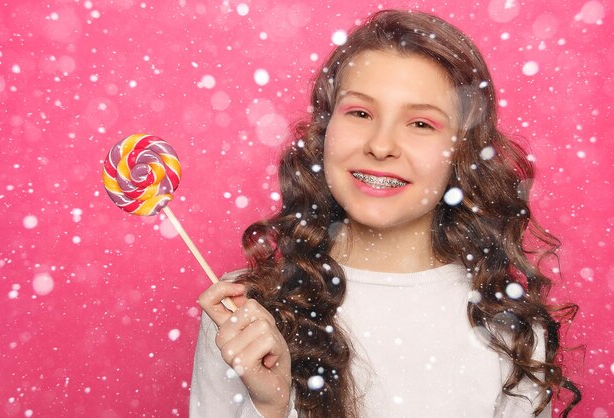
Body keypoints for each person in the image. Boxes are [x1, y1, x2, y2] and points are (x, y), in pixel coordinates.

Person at [190, 10, 581, 418]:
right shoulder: (243, 310)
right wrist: (271, 405)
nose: (381, 145)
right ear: (326, 129)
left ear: (462, 151)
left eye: (420, 123)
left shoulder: (508, 329)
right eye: (360, 113)